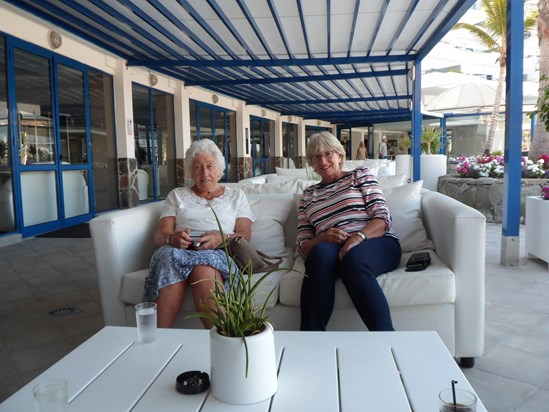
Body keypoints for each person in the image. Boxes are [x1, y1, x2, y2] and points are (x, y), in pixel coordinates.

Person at [143, 139, 256, 329]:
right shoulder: (177, 195)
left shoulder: (237, 196)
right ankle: (159, 339)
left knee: (203, 268)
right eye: (197, 167)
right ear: (190, 172)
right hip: (178, 251)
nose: (204, 173)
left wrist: (223, 237)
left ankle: (223, 339)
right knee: (170, 259)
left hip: (220, 251)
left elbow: (244, 234)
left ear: (219, 169)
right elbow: (160, 235)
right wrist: (173, 238)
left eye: (209, 166)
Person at [297, 131, 402, 331]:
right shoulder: (308, 195)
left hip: (375, 241)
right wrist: (322, 238)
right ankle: (310, 340)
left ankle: (386, 338)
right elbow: (303, 247)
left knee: (354, 259)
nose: (324, 160)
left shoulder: (360, 175)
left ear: (340, 156)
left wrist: (358, 237)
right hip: (332, 249)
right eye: (317, 157)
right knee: (319, 253)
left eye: (328, 154)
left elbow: (382, 219)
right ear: (311, 163)